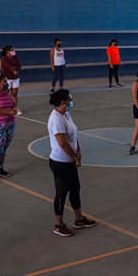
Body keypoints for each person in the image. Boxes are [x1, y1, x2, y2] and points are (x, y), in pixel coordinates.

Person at [47, 88, 96, 237]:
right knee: (61, 193)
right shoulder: (56, 119)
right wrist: (74, 157)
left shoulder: (66, 114)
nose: (71, 102)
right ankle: (58, 225)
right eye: (70, 100)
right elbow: (62, 143)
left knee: (75, 188)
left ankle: (79, 219)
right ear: (63, 102)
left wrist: (78, 150)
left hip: (69, 160)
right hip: (60, 162)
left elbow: (73, 135)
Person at [0, 45, 23, 114]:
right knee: (6, 93)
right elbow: (8, 66)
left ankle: (15, 108)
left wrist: (17, 69)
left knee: (14, 94)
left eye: (13, 50)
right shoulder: (4, 59)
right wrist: (13, 70)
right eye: (12, 50)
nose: (13, 51)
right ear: (7, 51)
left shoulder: (15, 57)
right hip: (7, 78)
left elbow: (19, 65)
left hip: (15, 78)